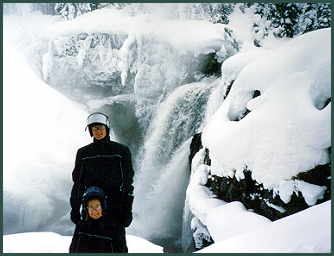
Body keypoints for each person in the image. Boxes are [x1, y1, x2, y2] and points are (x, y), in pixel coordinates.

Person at [69, 112, 134, 253]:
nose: (97, 131)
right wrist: (75, 209)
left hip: (114, 207)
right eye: (94, 129)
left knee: (116, 245)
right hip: (91, 206)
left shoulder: (121, 151)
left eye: (100, 128)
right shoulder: (83, 153)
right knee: (83, 243)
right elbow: (78, 183)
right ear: (90, 131)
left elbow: (128, 184)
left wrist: (127, 210)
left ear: (107, 128)